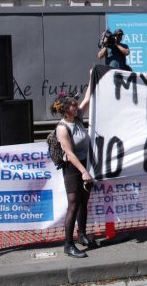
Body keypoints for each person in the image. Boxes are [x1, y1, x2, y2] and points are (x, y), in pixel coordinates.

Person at [50, 85, 96, 258]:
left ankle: (82, 235)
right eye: (72, 105)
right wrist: (84, 171)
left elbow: (87, 99)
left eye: (75, 104)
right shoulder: (62, 128)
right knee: (74, 203)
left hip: (84, 163)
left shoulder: (76, 118)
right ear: (64, 109)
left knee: (84, 201)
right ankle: (68, 244)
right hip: (73, 168)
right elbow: (69, 153)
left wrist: (92, 77)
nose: (76, 105)